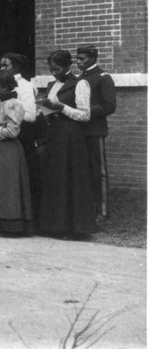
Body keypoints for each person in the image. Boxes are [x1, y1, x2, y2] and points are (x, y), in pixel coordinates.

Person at [37, 50, 95, 238]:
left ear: (68, 66)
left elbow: (85, 115)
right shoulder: (52, 84)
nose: (54, 73)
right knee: (54, 178)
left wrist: (61, 107)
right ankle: (53, 225)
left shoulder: (80, 84)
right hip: (54, 134)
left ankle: (72, 227)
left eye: (58, 69)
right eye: (51, 69)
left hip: (71, 137)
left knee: (69, 179)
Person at [0, 71, 33, 235]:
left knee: (7, 187)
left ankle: (10, 225)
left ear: (6, 87)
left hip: (8, 150)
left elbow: (12, 132)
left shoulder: (14, 104)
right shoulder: (0, 103)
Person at [76, 44, 116, 218]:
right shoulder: (79, 78)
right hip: (78, 130)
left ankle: (102, 210)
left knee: (98, 170)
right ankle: (87, 208)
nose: (78, 62)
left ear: (92, 59)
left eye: (82, 59)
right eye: (77, 58)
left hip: (94, 130)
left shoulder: (103, 77)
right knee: (82, 170)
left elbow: (109, 106)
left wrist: (85, 112)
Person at [0, 52, 41, 217]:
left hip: (23, 135)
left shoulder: (24, 86)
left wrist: (11, 107)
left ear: (15, 67)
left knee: (25, 175)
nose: (2, 68)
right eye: (1, 65)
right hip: (5, 134)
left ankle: (27, 215)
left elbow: (30, 115)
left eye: (6, 65)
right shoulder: (1, 84)